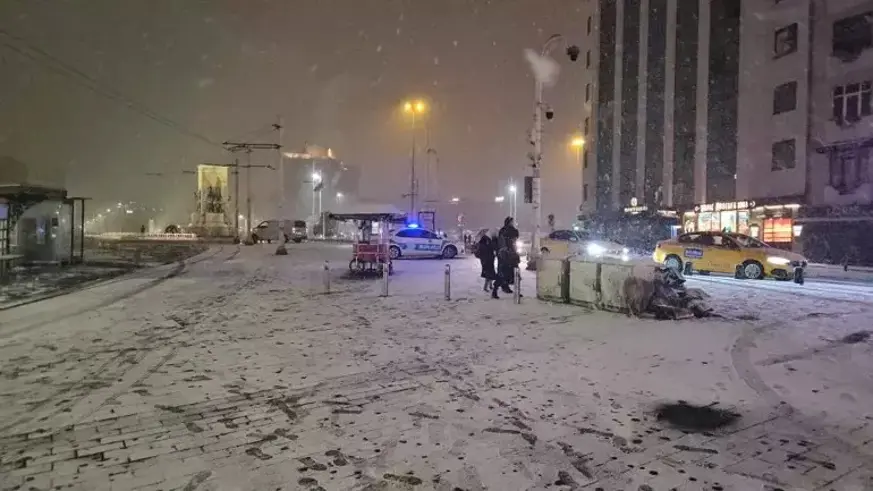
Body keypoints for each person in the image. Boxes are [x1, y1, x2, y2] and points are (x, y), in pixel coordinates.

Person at [493, 217, 521, 299]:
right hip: (507, 256)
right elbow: (514, 237)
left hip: (508, 256)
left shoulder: (503, 230)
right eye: (512, 222)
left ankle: (515, 291)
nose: (513, 223)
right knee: (506, 274)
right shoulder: (509, 231)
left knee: (513, 274)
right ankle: (495, 291)